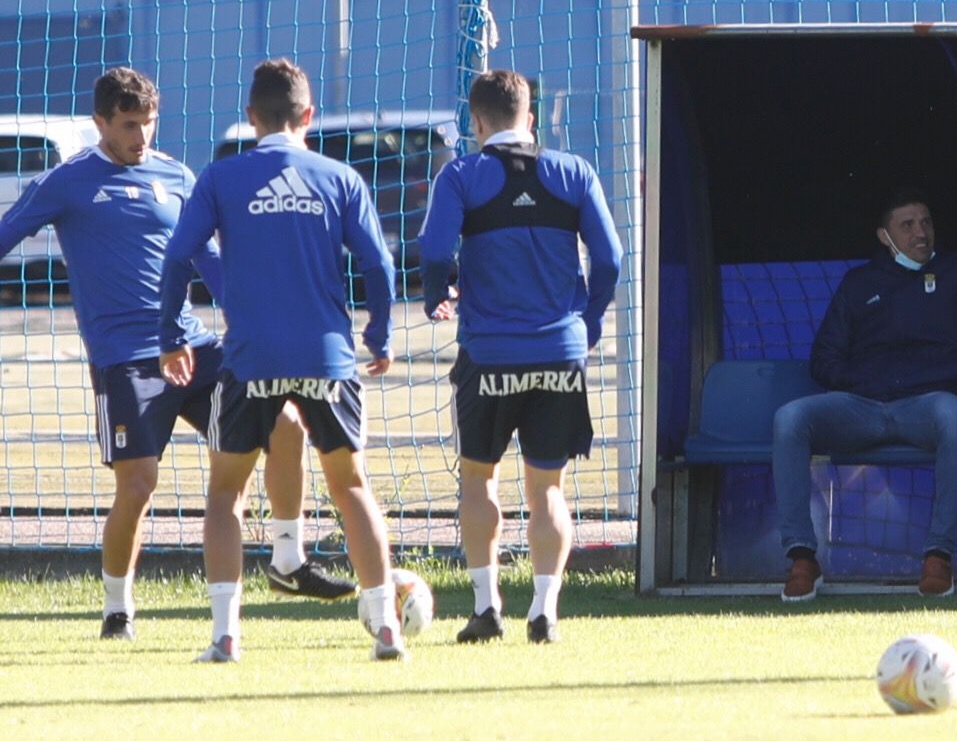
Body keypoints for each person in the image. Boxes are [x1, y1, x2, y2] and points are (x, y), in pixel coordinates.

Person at [0, 67, 350, 643]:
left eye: (149, 124)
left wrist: (243, 308)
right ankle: (117, 608)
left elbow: (206, 259)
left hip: (193, 345)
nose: (141, 137)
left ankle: (288, 559)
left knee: (287, 421)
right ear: (100, 124)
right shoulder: (68, 181)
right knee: (138, 486)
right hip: (127, 359)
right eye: (129, 125)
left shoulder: (178, 175)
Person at [158, 57, 403, 661]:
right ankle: (386, 627)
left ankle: (226, 635)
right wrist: (382, 332)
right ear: (308, 117)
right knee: (350, 487)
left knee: (225, 494)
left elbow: (177, 257)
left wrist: (171, 333)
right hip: (327, 358)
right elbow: (381, 264)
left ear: (251, 118)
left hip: (250, 360)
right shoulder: (340, 178)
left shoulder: (222, 178)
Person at [774, 188, 957, 600]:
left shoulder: (955, 272)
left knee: (955, 415)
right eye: (907, 225)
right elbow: (823, 359)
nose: (920, 232)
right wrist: (866, 382)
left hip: (925, 407)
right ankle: (802, 557)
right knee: (790, 418)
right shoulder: (859, 283)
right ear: (884, 236)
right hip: (863, 406)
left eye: (926, 222)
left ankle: (938, 556)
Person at [419, 69, 623, 644]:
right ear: (529, 118)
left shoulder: (460, 174)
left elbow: (434, 249)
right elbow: (609, 259)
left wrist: (438, 294)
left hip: (488, 355)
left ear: (477, 122)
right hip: (559, 352)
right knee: (548, 490)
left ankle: (487, 609)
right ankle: (545, 612)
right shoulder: (573, 171)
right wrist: (589, 319)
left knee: (479, 482)